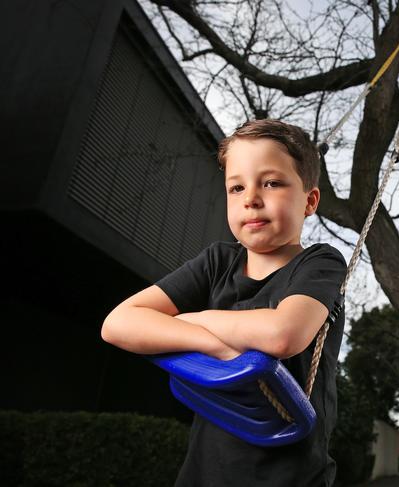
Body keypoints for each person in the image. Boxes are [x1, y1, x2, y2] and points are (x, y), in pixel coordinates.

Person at [101, 119, 346, 487]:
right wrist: (212, 343)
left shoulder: (319, 263)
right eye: (236, 187)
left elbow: (283, 334)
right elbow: (118, 323)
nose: (250, 198)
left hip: (290, 475)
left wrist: (193, 318)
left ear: (309, 200)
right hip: (204, 472)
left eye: (272, 183)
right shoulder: (218, 262)